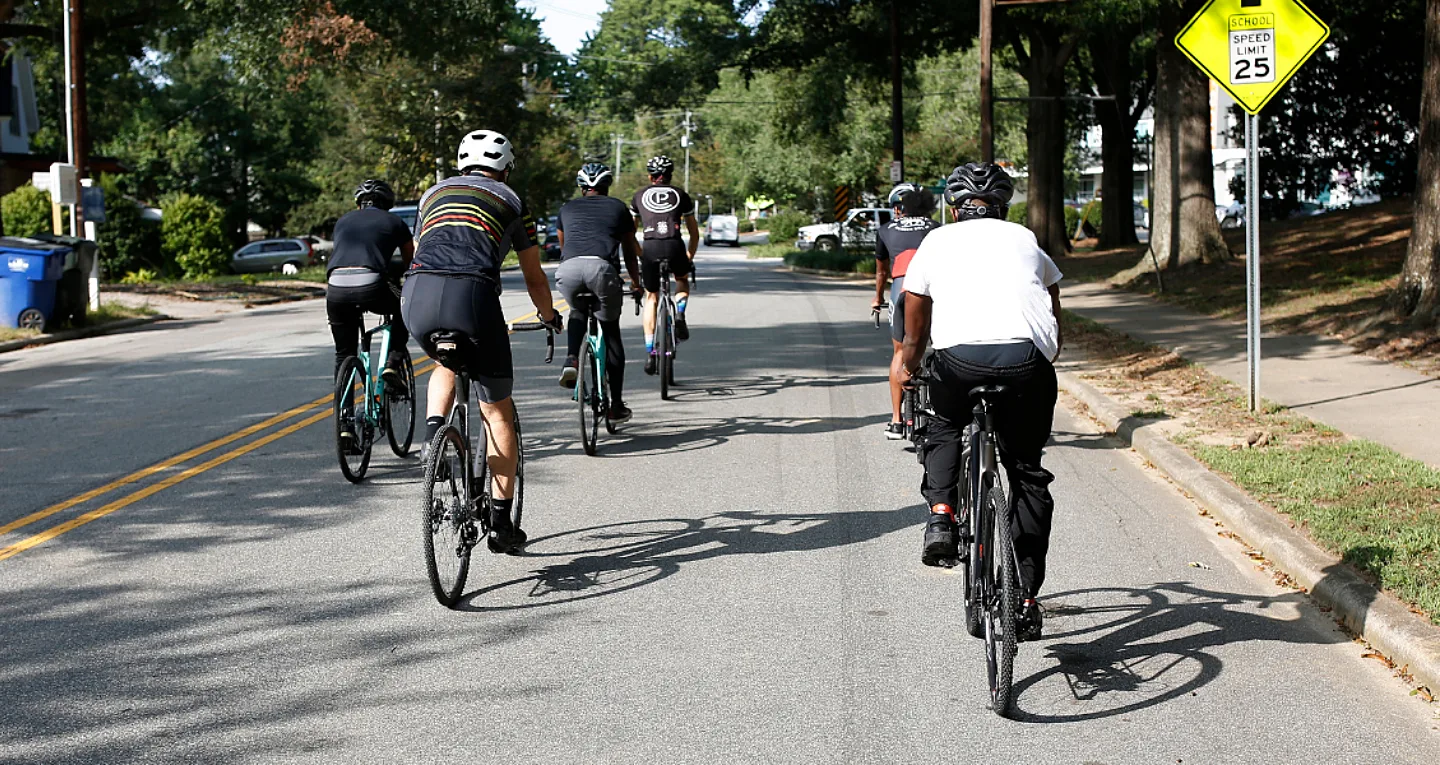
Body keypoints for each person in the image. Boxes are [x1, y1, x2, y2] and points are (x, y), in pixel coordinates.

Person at [899, 162, 1064, 641]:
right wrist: (1049, 351)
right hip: (1025, 362)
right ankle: (1025, 598)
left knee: (944, 424)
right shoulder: (1025, 238)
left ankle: (941, 517)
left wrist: (910, 362)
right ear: (1003, 207)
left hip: (959, 362)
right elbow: (1052, 301)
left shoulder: (936, 241)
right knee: (1027, 475)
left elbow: (914, 311)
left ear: (954, 208)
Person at [401, 129, 561, 554]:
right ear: (505, 168)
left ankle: (433, 438)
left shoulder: (431, 195)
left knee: (444, 362)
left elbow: (420, 247)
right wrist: (548, 316)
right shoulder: (513, 202)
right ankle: (502, 525)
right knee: (496, 412)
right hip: (471, 297)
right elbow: (534, 276)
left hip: (417, 295)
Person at [327, 179, 415, 451]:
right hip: (372, 284)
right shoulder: (396, 223)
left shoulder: (342, 221)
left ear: (359, 204)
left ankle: (344, 425)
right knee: (406, 301)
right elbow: (412, 264)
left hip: (336, 288)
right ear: (388, 204)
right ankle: (393, 362)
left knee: (344, 353)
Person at [555, 162, 643, 423]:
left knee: (577, 311)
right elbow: (629, 251)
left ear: (581, 187)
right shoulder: (618, 207)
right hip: (602, 270)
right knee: (611, 332)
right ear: (607, 186)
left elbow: (564, 246)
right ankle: (616, 406)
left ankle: (572, 359)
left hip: (569, 270)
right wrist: (636, 283)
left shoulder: (566, 208)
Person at [873, 182, 941, 440]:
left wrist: (877, 298)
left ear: (897, 208)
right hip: (933, 286)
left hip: (901, 286)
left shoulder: (885, 229)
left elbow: (881, 272)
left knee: (900, 352)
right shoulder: (936, 227)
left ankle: (896, 421)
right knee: (943, 345)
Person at [631, 155, 699, 375]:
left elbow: (630, 234)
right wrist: (689, 256)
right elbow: (694, 233)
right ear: (670, 175)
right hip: (674, 245)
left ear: (650, 176)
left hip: (650, 247)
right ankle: (680, 312)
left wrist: (641, 254)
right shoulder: (680, 194)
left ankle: (650, 352)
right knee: (681, 280)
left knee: (651, 297)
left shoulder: (639, 196)